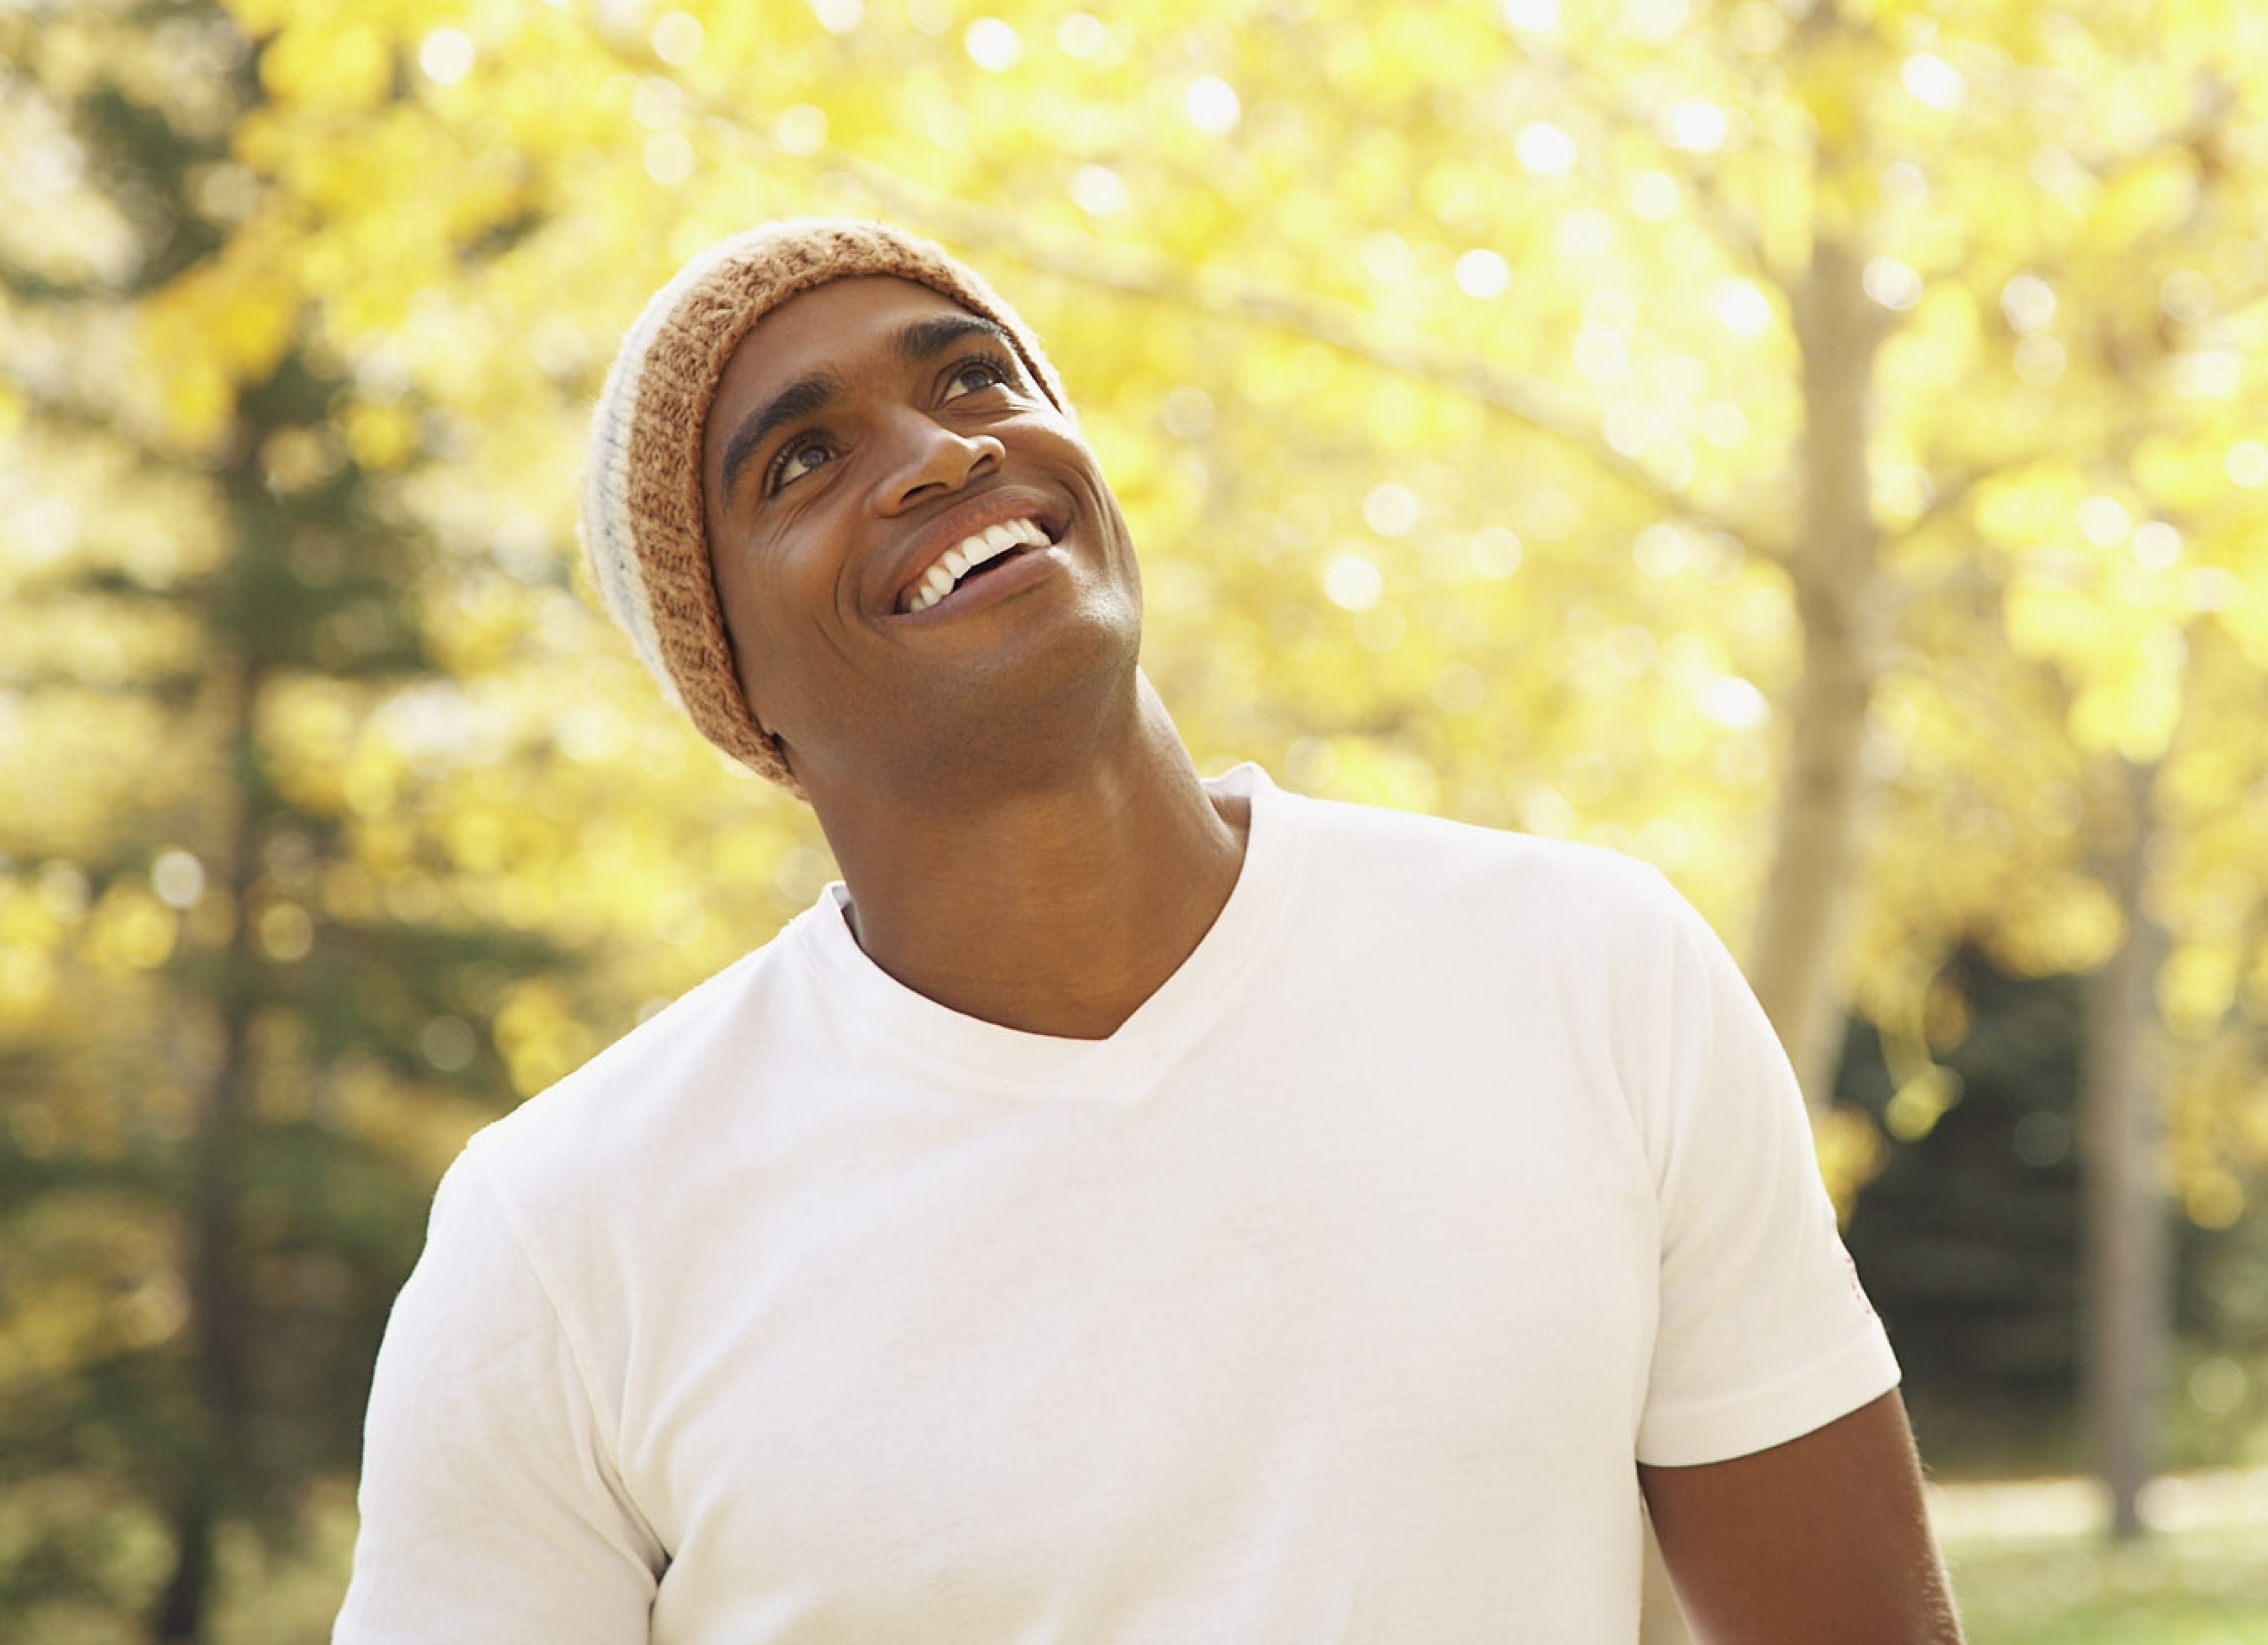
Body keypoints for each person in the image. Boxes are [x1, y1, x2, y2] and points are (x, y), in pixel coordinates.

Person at [334, 217, 1961, 1643]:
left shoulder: (1591, 971)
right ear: (730, 685)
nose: (939, 451)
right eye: (801, 460)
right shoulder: (558, 1239)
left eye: (971, 377)